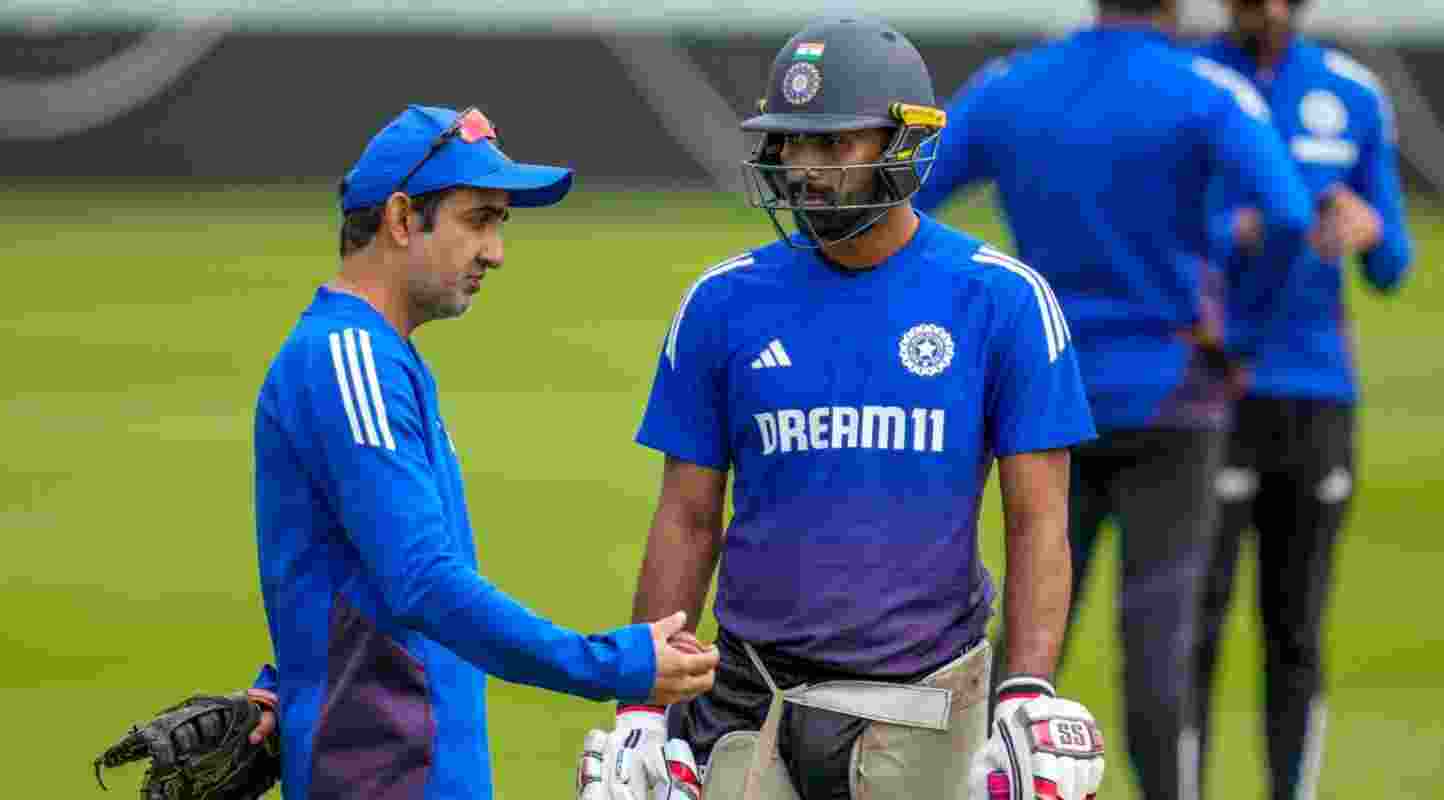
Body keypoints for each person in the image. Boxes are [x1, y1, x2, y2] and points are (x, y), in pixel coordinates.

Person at [577, 18, 1105, 800]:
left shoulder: (1004, 299)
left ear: (904, 141)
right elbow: (687, 517)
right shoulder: (721, 304)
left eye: (835, 145)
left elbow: (1037, 520)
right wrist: (644, 706)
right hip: (745, 692)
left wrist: (1026, 688)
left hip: (924, 695)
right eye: (793, 144)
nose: (806, 169)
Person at [239, 104, 719, 800]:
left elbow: (348, 574)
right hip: (385, 777)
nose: (495, 251)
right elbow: (424, 582)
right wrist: (610, 663)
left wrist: (284, 682)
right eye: (479, 220)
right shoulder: (345, 360)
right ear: (402, 220)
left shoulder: (380, 358)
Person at [910, 1, 1317, 797]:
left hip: (1038, 397)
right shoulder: (1206, 88)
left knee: (1026, 642)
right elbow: (1293, 216)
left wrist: (968, 308)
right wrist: (1243, 334)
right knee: (1160, 648)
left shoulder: (1012, 84)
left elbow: (907, 199)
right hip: (1172, 394)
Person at [1191, 2, 1414, 797]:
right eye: (1252, 0)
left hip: (1316, 396)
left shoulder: (1349, 94)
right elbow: (1156, 231)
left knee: (1296, 630)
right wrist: (1240, 231)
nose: (1269, 13)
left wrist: (1367, 228)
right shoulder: (1192, 82)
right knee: (1195, 628)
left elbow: (1393, 265)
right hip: (1212, 392)